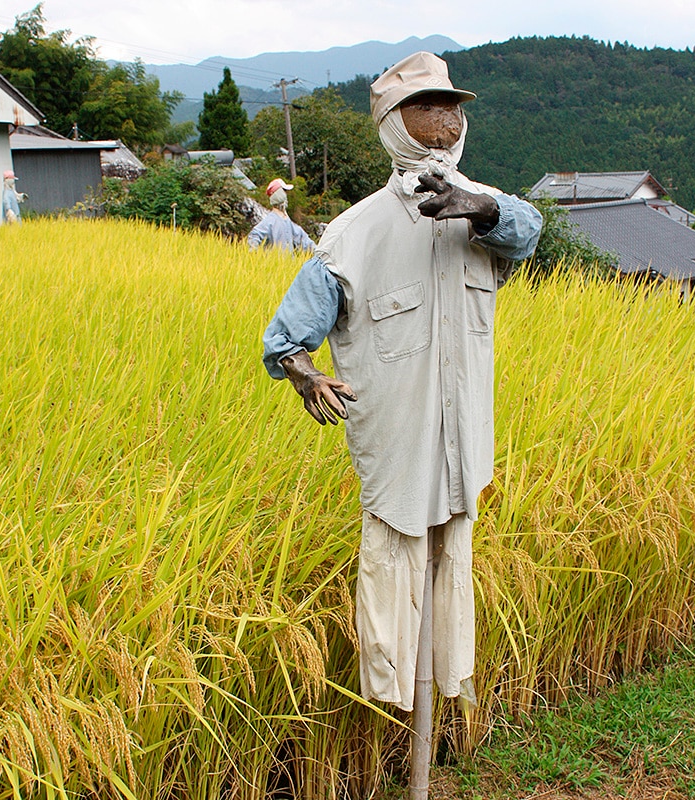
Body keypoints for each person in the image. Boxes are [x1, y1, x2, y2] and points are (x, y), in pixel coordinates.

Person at [262, 52, 542, 714]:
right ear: (393, 122)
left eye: (453, 106)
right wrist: (306, 375)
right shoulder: (354, 233)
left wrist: (481, 208)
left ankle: (449, 683)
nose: (446, 117)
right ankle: (395, 694)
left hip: (464, 444)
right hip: (396, 449)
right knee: (392, 567)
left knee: (454, 570)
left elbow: (528, 231)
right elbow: (286, 339)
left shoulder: (487, 214)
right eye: (427, 106)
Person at [248, 178, 316, 252]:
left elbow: (303, 239)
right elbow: (254, 235)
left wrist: (318, 252)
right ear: (279, 194)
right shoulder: (270, 221)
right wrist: (254, 252)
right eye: (284, 191)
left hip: (289, 263)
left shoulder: (287, 220)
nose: (286, 195)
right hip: (274, 263)